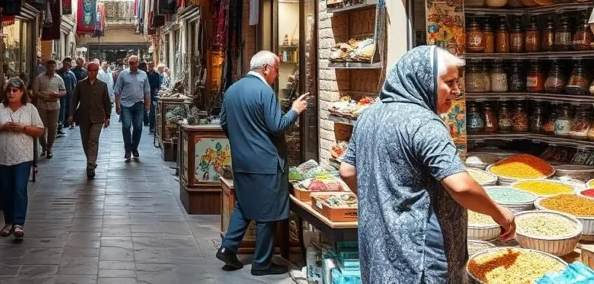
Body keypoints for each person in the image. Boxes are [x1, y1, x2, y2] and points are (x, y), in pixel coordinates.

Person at [339, 46, 516, 283]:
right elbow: (461, 186)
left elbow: (347, 171)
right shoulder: (425, 124)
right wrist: (499, 213)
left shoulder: (368, 115)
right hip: (419, 257)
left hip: (379, 248)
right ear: (423, 80)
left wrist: (386, 204)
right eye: (449, 83)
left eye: (457, 82)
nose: (457, 91)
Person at [215, 51, 308, 276]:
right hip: (266, 163)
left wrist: (242, 142)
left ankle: (228, 248)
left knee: (244, 206)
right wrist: (294, 111)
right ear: (266, 68)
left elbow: (224, 123)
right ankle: (262, 263)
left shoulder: (232, 90)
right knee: (268, 213)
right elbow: (277, 126)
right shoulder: (264, 91)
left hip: (241, 161)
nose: (276, 75)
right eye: (276, 70)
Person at [0, 77, 45, 240]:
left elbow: (40, 130)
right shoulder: (0, 108)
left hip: (23, 156)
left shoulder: (30, 109)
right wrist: (3, 127)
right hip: (4, 156)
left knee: (19, 188)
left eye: (15, 91)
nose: (11, 93)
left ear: (21, 92)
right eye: (9, 91)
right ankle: (8, 222)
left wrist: (24, 128)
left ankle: (18, 223)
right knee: (6, 190)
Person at [68, 62, 112, 179]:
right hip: (84, 117)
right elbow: (74, 100)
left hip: (98, 118)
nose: (92, 73)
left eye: (95, 71)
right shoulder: (81, 84)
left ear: (97, 72)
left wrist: (107, 117)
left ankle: (90, 165)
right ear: (87, 71)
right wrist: (71, 114)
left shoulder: (102, 85)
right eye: (90, 71)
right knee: (85, 141)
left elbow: (106, 102)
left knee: (93, 140)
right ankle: (91, 160)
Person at [113, 54, 150, 162]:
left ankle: (134, 148)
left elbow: (147, 90)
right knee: (126, 126)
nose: (132, 65)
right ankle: (128, 149)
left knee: (138, 127)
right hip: (126, 105)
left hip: (139, 104)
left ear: (137, 63)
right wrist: (117, 105)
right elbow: (117, 91)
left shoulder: (143, 75)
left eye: (134, 63)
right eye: (130, 63)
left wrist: (147, 104)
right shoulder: (123, 74)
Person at [32, 60, 66, 158]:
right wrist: (43, 97)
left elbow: (64, 91)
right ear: (46, 67)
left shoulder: (59, 79)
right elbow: (35, 91)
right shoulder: (40, 77)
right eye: (50, 66)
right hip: (42, 105)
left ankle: (49, 148)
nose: (51, 68)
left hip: (55, 106)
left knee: (53, 127)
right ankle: (43, 146)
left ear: (55, 67)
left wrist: (57, 94)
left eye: (53, 66)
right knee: (41, 127)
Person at [58, 57, 78, 135]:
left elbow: (74, 84)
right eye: (65, 63)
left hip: (69, 95)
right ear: (63, 63)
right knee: (61, 109)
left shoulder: (71, 73)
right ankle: (60, 125)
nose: (66, 65)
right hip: (60, 94)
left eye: (68, 63)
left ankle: (67, 123)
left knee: (68, 109)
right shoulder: (58, 72)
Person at [145, 61, 162, 133]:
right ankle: (146, 122)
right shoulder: (145, 75)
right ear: (147, 66)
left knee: (152, 111)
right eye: (149, 66)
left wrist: (158, 91)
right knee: (145, 110)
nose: (151, 67)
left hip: (154, 95)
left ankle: (152, 127)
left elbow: (159, 85)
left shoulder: (157, 75)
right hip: (145, 94)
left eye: (152, 66)